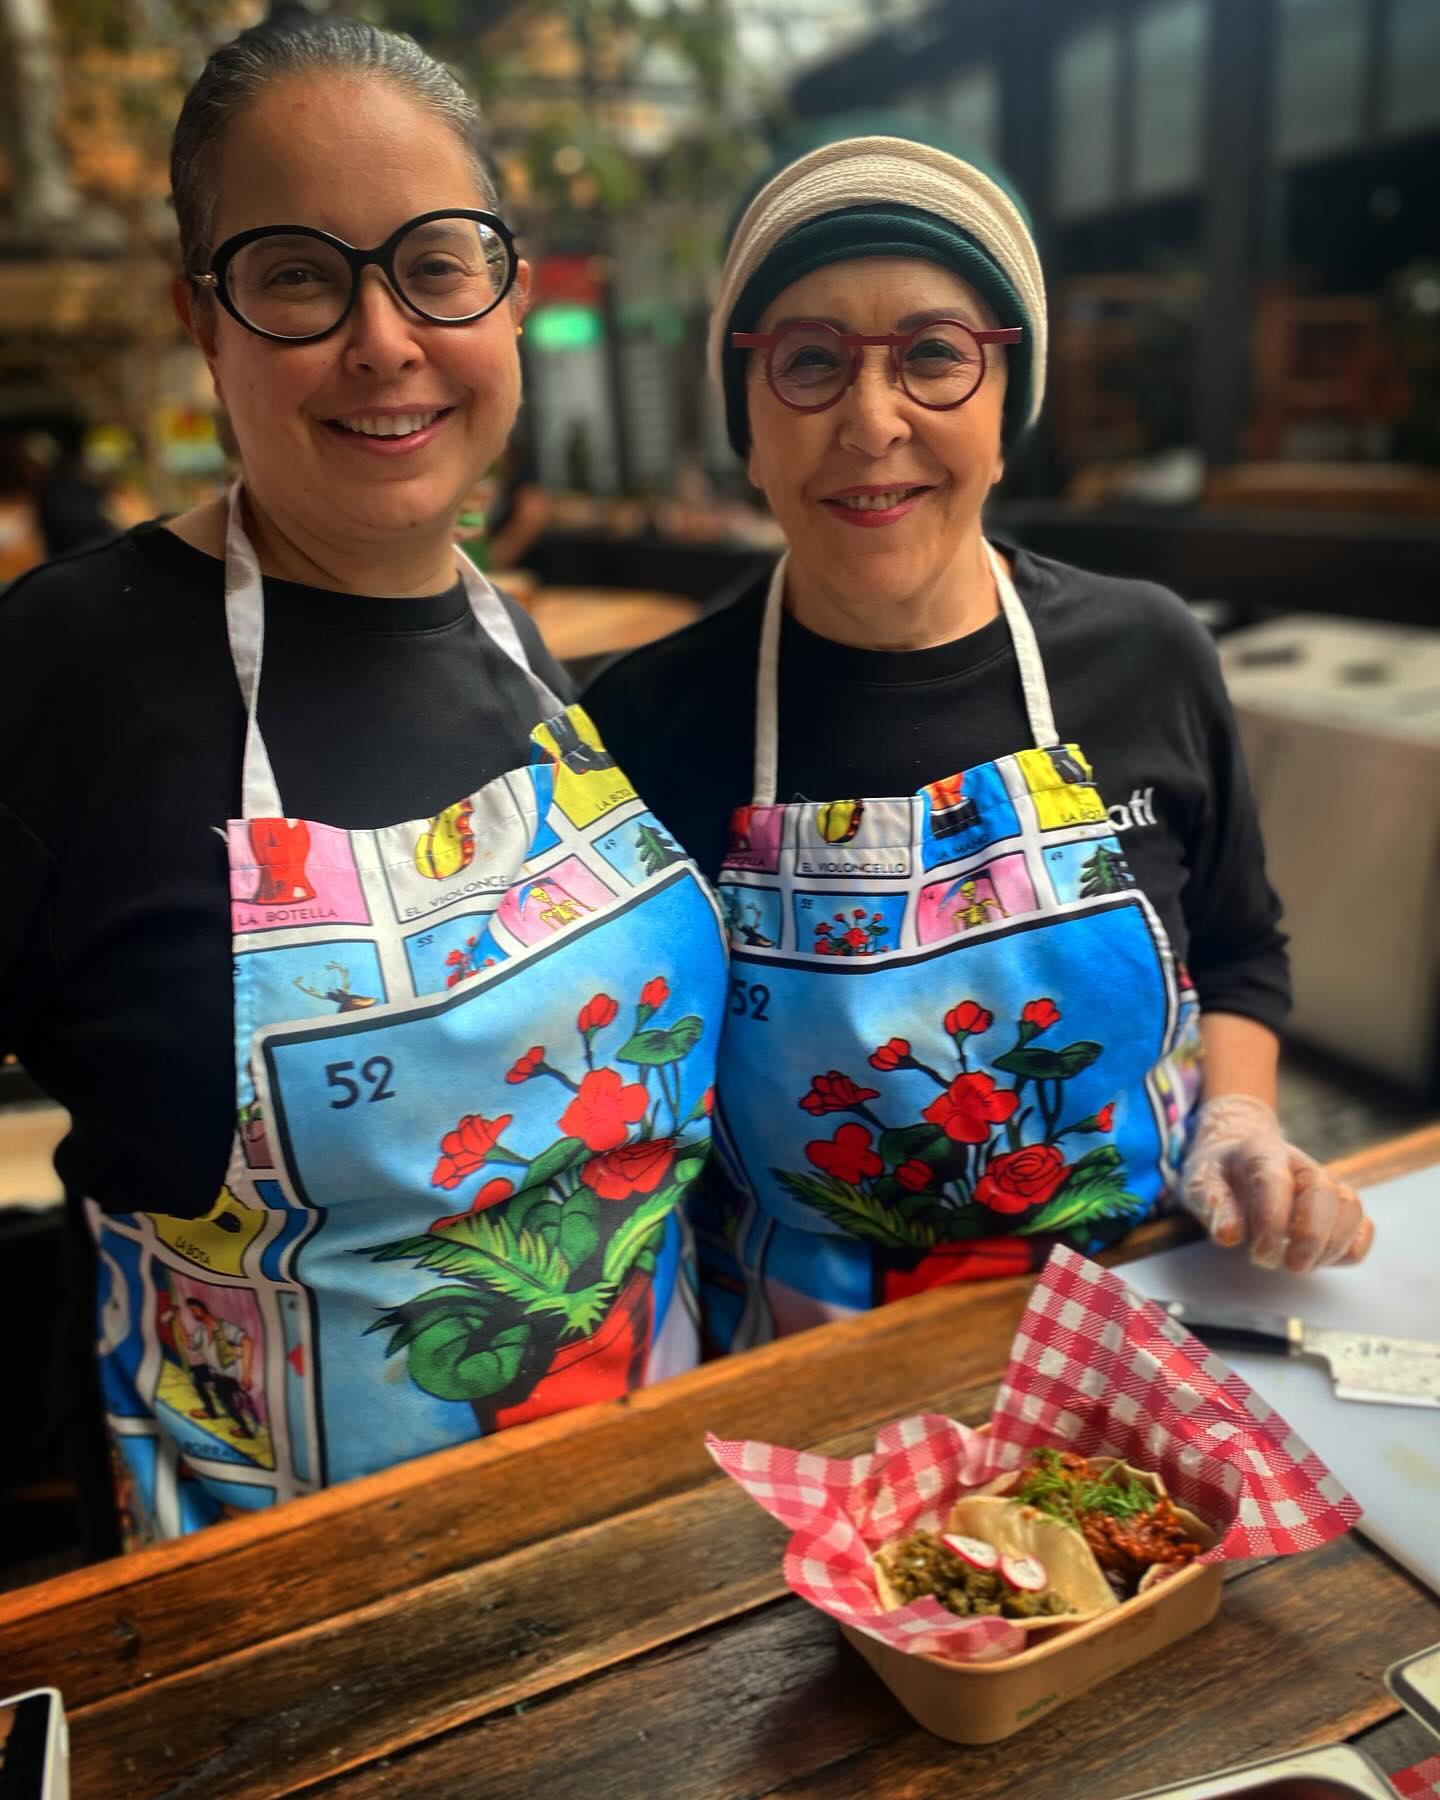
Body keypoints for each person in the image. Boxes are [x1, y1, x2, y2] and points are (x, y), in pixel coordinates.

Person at [0, 17, 726, 1546]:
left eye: (435, 264)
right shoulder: (66, 668)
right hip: (276, 1618)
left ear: (509, 293)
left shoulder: (513, 643)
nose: (383, 338)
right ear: (205, 322)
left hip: (638, 1526)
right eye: (299, 276)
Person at [584, 123, 1372, 1352]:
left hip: (1144, 1321)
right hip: (791, 1375)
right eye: (808, 362)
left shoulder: (1148, 656)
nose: (872, 418)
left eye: (936, 358)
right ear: (747, 419)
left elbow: (1237, 948)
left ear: (1011, 405)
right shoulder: (645, 725)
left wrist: (1246, 1124)